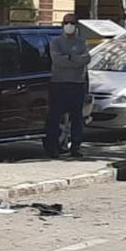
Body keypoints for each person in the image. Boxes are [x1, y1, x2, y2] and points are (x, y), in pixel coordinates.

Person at [45, 13, 90, 158]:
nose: (69, 25)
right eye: (66, 23)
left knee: (77, 118)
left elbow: (86, 59)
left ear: (76, 25)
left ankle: (75, 147)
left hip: (77, 84)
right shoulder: (56, 42)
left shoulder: (82, 42)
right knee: (55, 117)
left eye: (72, 22)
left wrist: (70, 58)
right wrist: (74, 59)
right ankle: (53, 147)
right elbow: (58, 61)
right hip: (59, 84)